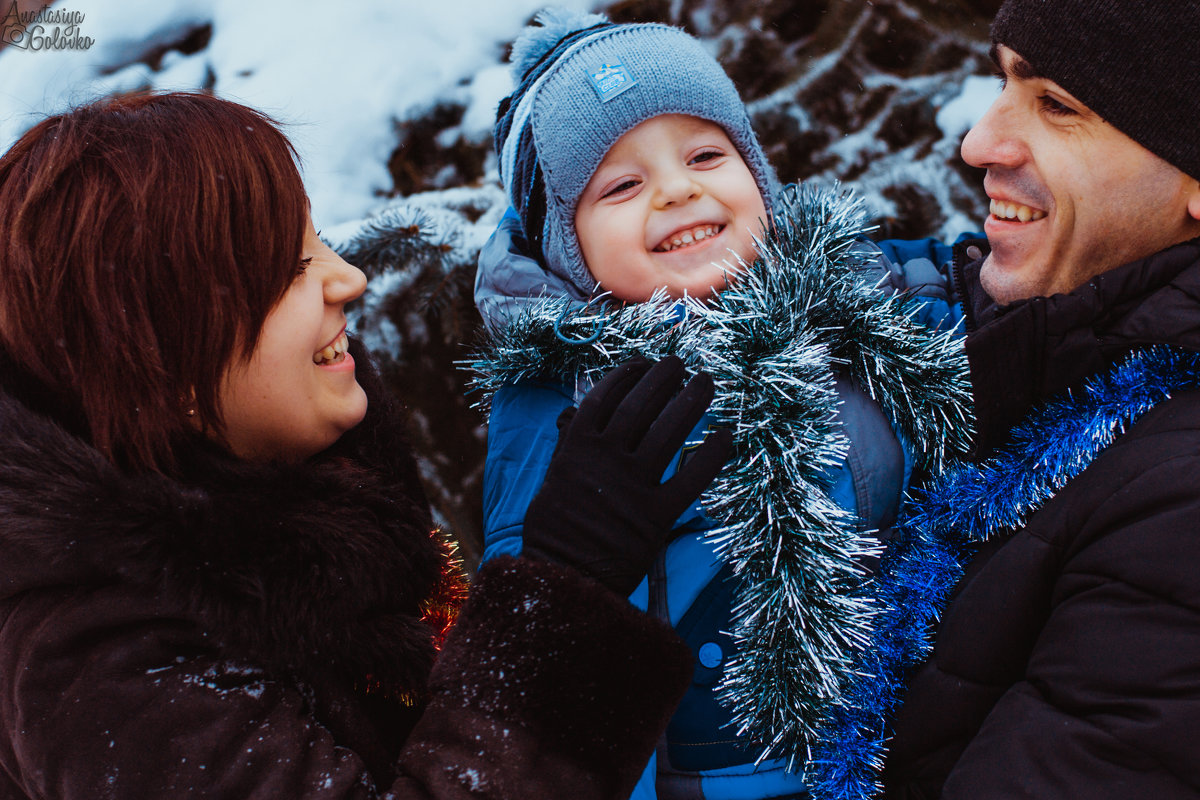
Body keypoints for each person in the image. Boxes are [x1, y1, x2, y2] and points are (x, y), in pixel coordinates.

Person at [0, 90, 735, 799]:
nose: (348, 279)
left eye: (318, 241)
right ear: (163, 362)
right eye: (290, 269)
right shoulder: (106, 675)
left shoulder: (283, 505)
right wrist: (562, 595)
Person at [467, 11, 973, 800]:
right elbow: (547, 670)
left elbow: (981, 308)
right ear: (566, 244)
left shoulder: (858, 302)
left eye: (707, 154)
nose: (678, 189)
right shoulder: (558, 403)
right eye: (622, 185)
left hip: (916, 744)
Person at [864, 1, 1200, 797]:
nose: (978, 142)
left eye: (1058, 105)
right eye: (1004, 79)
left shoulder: (1180, 499)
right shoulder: (1017, 339)